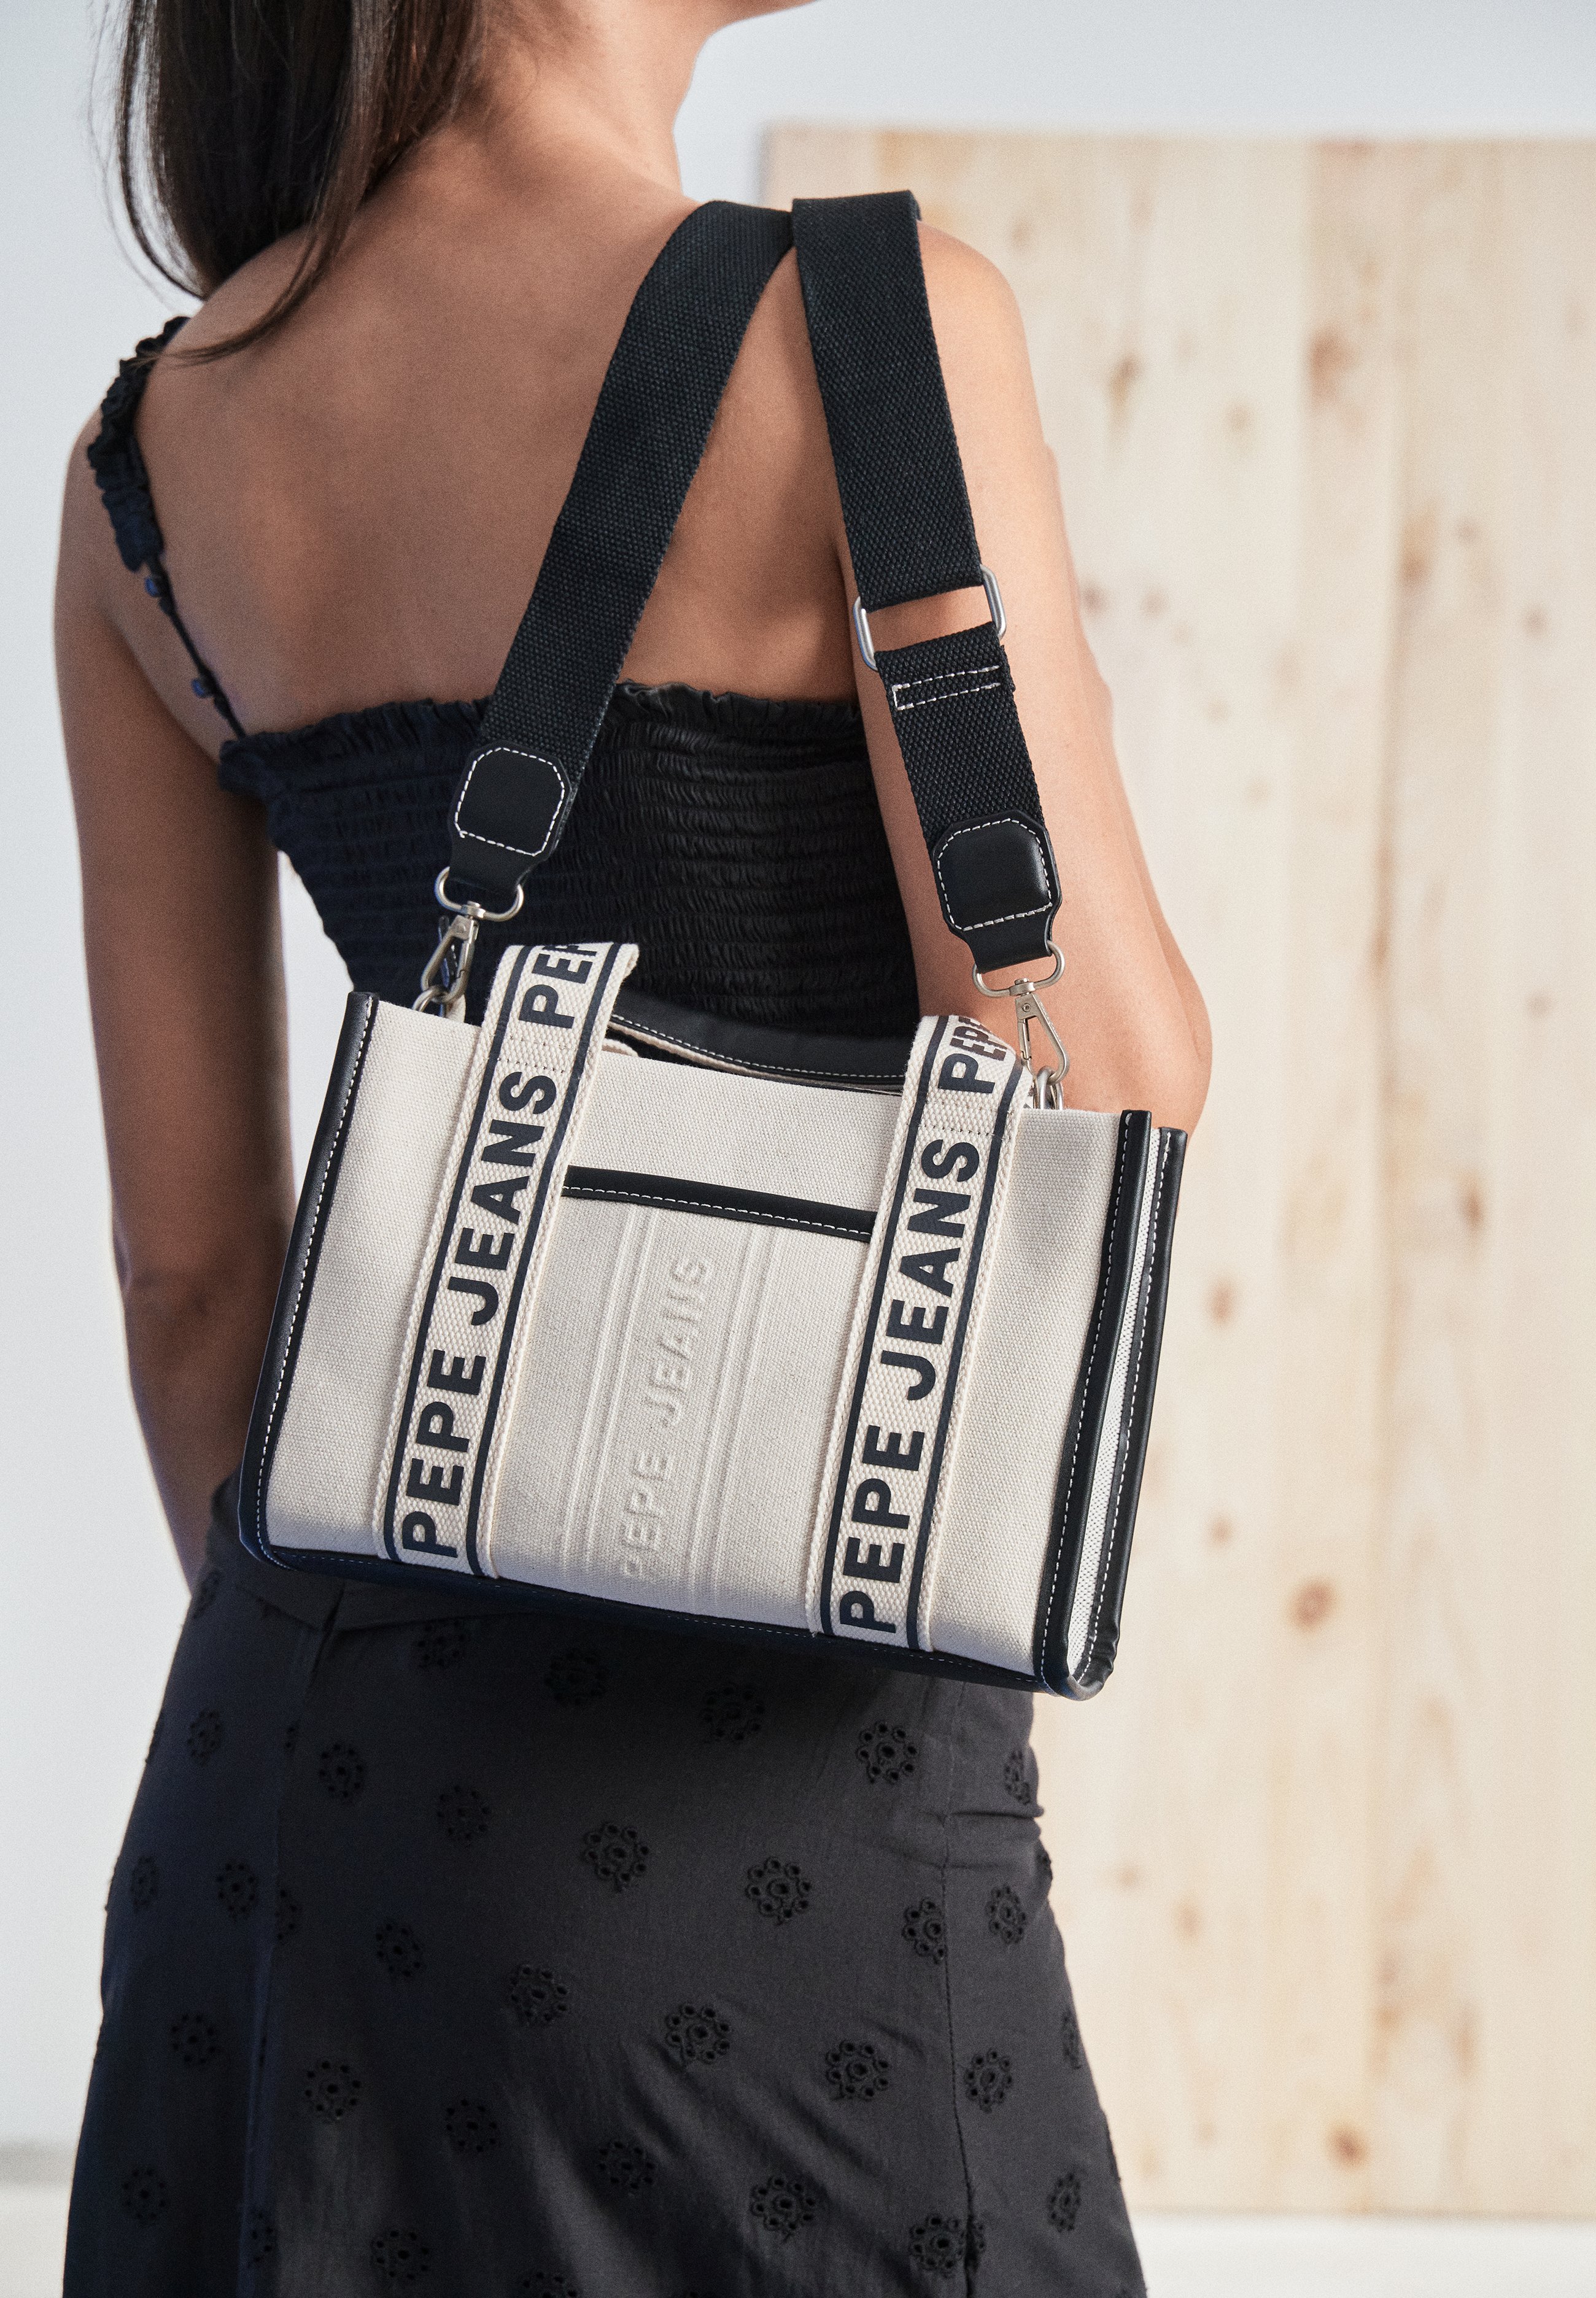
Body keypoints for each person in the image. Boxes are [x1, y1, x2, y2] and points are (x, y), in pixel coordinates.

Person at [56, 1, 1211, 2288]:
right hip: (769, 1812)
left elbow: (193, 1280)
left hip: (295, 1795)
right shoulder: (869, 325)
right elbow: (1091, 1078)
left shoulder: (151, 457)